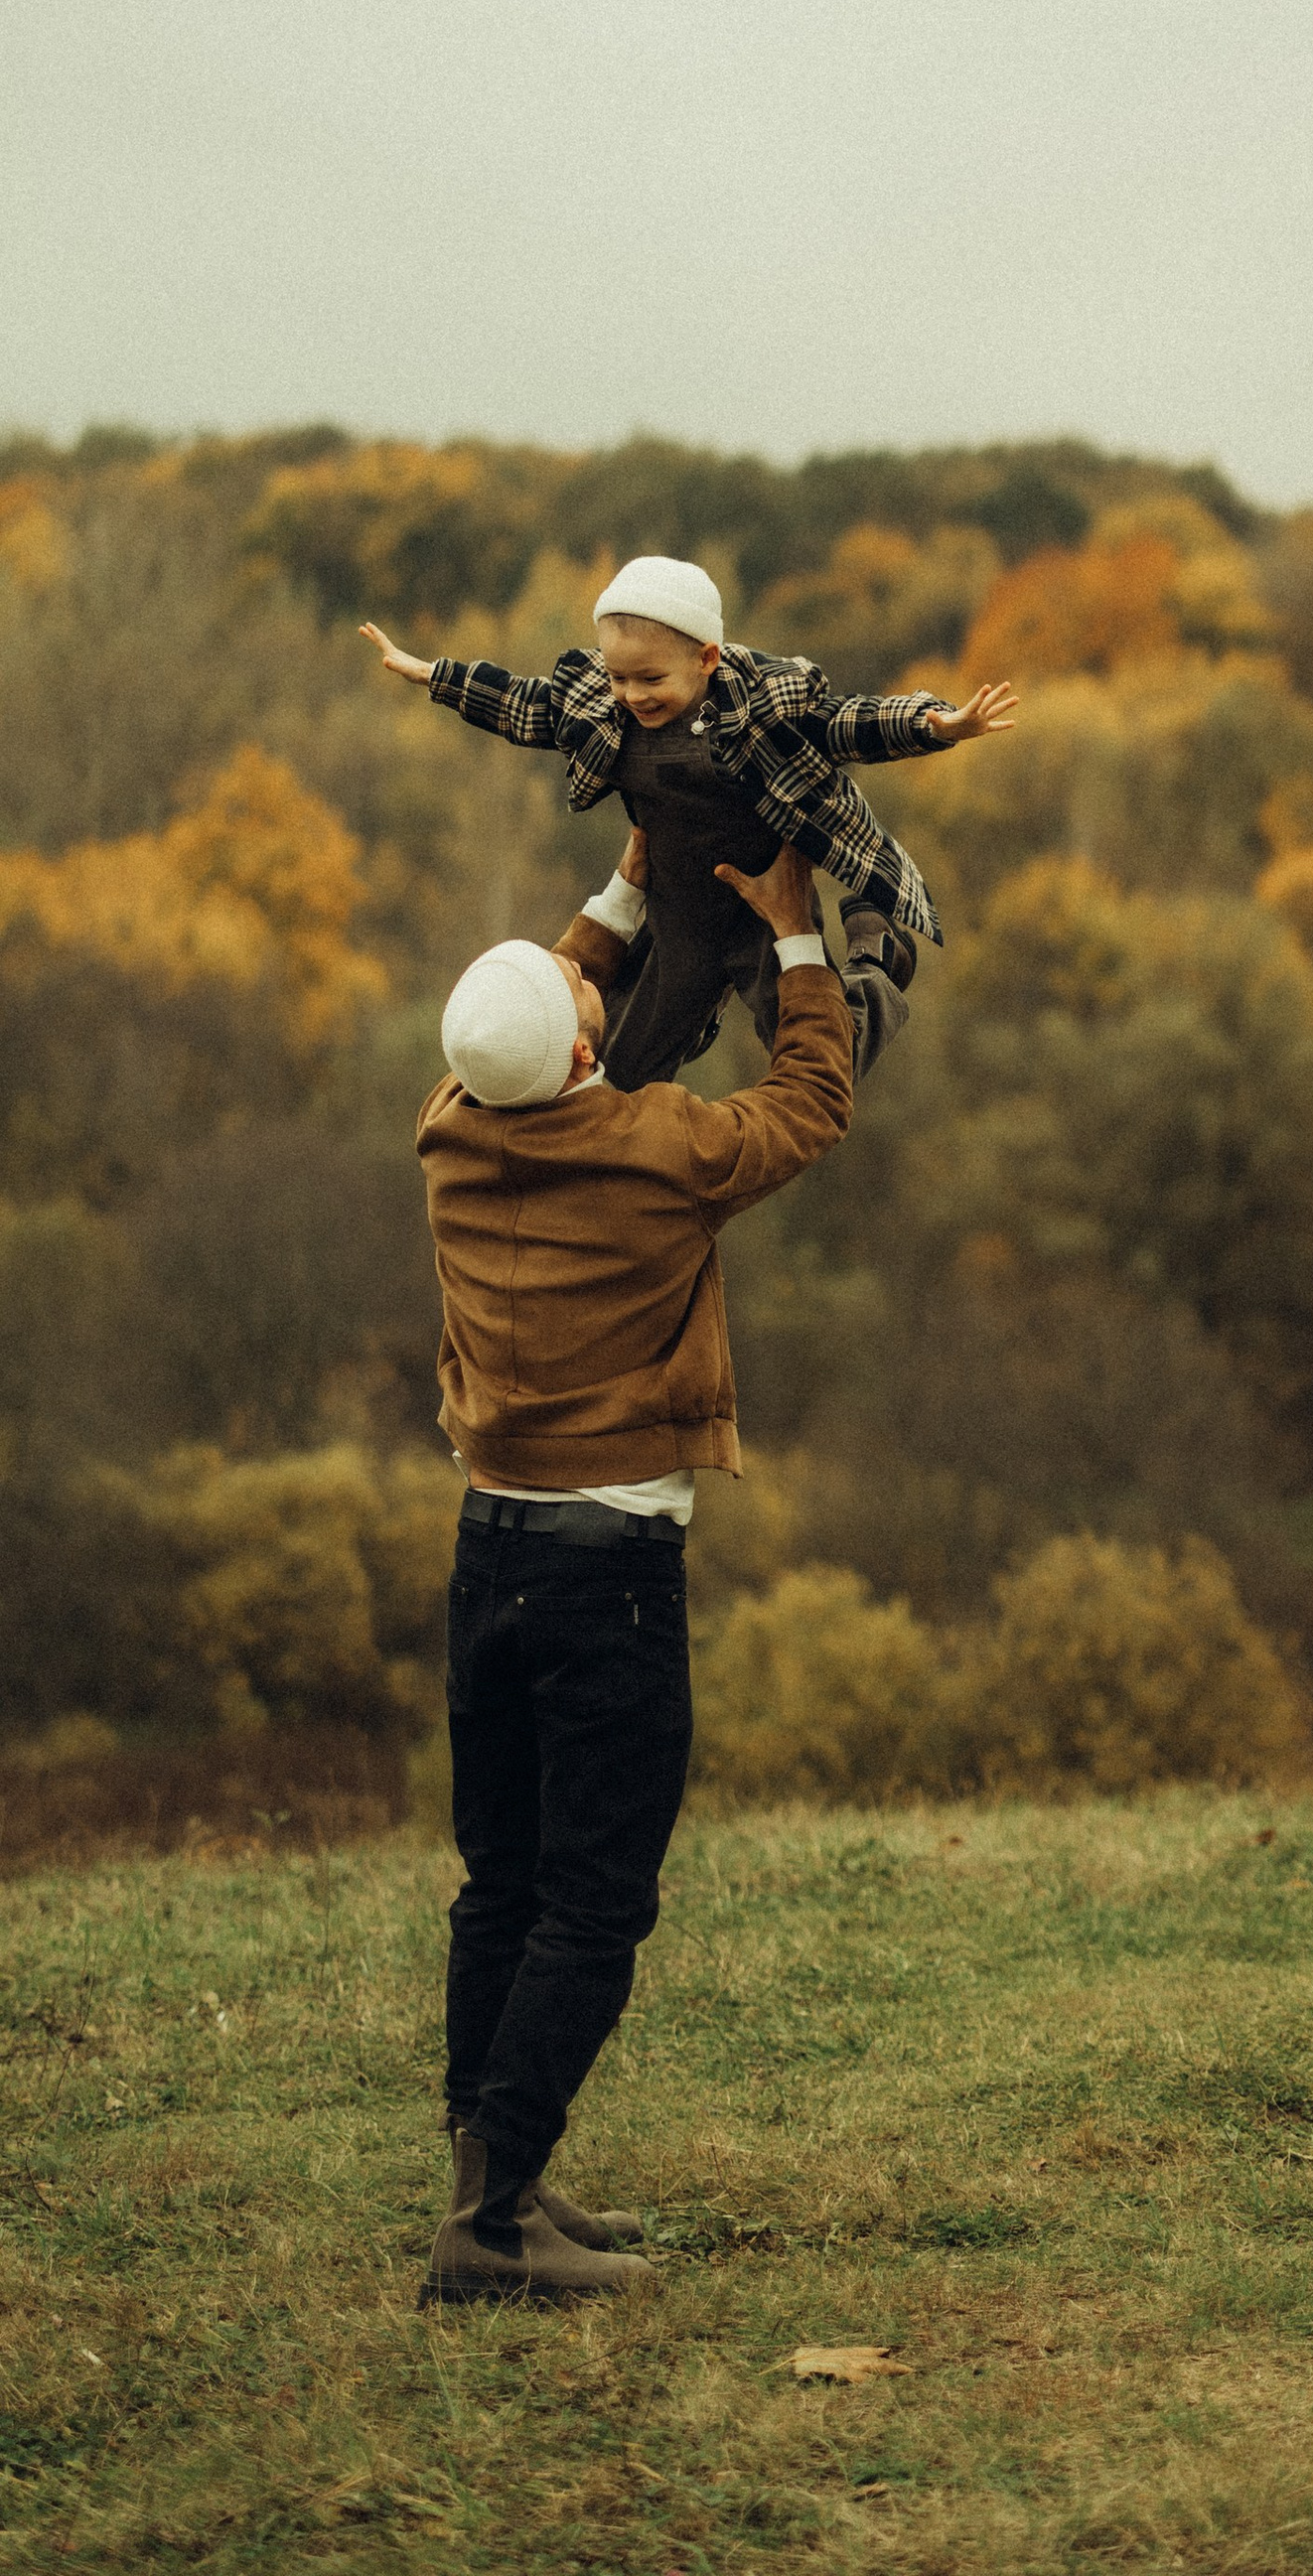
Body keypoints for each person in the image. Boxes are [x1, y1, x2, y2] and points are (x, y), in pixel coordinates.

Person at [414, 831, 857, 2306]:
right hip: (607, 1570)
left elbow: (539, 1014)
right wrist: (795, 936)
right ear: (590, 1040)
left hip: (489, 1552)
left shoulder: (450, 1137)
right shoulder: (655, 1152)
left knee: (504, 1883)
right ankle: (490, 2231)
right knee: (597, 1901)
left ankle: (498, 2176)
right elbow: (810, 1104)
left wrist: (621, 888)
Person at [363, 553, 1017, 1089]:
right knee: (618, 1072)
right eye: (617, 677)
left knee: (824, 1061)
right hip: (677, 911)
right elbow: (522, 702)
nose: (632, 695)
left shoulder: (761, 706)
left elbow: (845, 723)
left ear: (706, 660)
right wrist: (432, 675)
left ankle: (878, 955)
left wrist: (937, 724)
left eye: (650, 679)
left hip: (766, 909)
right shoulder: (603, 707)